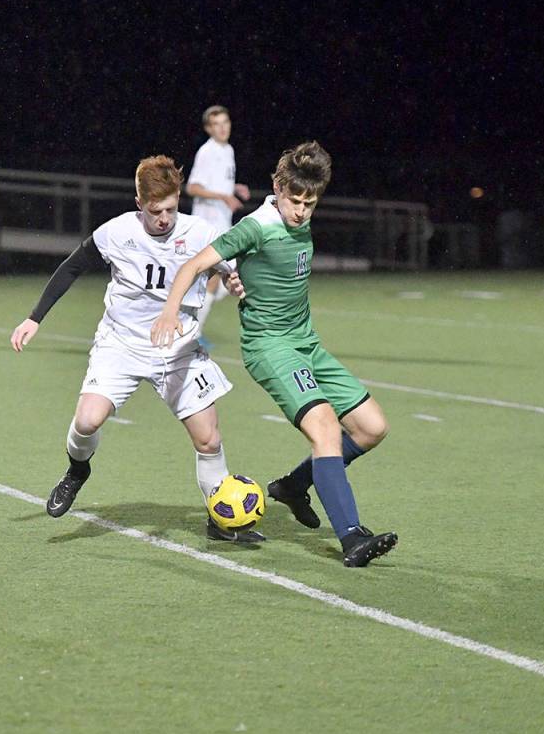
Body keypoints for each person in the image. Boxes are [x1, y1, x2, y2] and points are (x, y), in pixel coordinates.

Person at [151, 142, 397, 567]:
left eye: (310, 204)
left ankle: (293, 486)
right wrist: (173, 310)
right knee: (324, 429)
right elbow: (193, 264)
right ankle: (352, 536)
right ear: (277, 188)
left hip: (307, 344)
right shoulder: (258, 226)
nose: (301, 211)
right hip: (270, 347)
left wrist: (233, 276)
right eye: (295, 201)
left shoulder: (296, 220)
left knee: (372, 427)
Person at [10, 155, 258, 542]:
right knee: (87, 421)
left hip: (178, 349)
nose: (164, 218)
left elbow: (226, 272)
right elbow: (71, 267)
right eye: (155, 210)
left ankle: (219, 516)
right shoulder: (117, 232)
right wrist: (34, 318)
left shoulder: (200, 232)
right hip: (121, 344)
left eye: (171, 209)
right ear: (138, 202)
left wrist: (233, 283)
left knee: (208, 439)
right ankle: (77, 470)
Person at [185, 105, 250, 343]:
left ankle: (190, 326)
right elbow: (193, 187)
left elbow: (215, 183)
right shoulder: (207, 151)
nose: (222, 127)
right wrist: (224, 196)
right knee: (217, 278)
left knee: (223, 278)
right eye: (216, 124)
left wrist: (233, 188)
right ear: (208, 129)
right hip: (207, 225)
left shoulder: (228, 150)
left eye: (225, 122)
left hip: (223, 224)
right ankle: (193, 332)